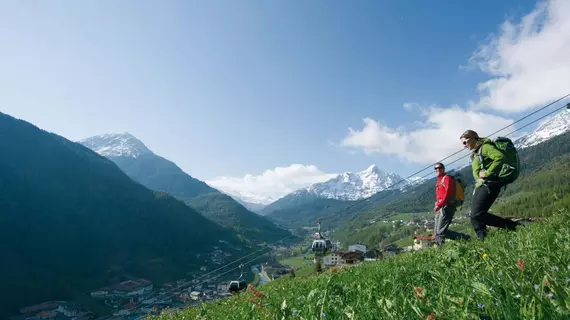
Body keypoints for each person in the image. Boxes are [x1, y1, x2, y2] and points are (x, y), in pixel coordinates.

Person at [460, 130, 520, 240]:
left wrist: (487, 173)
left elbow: (500, 157)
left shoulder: (485, 147)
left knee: (476, 215)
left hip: (489, 184)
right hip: (481, 185)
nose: (464, 146)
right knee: (476, 216)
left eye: (465, 142)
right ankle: (483, 240)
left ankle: (514, 226)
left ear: (472, 138)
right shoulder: (476, 152)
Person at [433, 162, 471, 246]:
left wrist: (439, 205)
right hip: (440, 207)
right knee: (437, 232)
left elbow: (448, 193)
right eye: (436, 168)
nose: (438, 169)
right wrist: (437, 205)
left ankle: (440, 250)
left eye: (440, 168)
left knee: (440, 232)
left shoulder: (447, 178)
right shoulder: (439, 180)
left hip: (447, 206)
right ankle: (465, 238)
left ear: (443, 169)